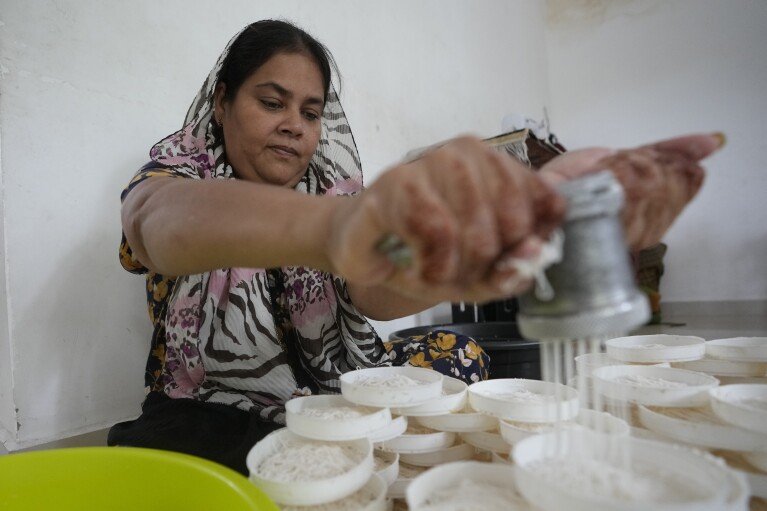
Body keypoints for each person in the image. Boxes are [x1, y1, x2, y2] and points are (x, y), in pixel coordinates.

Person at [108, 20, 724, 474]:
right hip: (215, 404)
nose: (294, 125)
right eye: (271, 103)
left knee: (456, 352)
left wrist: (468, 254)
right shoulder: (178, 174)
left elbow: (375, 288)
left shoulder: (337, 191)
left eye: (311, 111)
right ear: (223, 103)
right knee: (211, 461)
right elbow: (156, 226)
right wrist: (333, 232)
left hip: (333, 384)